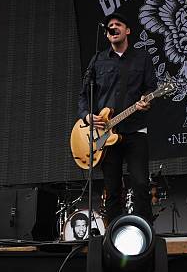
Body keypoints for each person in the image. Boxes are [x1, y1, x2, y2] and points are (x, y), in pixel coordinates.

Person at [78, 12, 157, 224]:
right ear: (107, 34)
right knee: (111, 188)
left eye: (118, 24)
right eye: (110, 26)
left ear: (127, 30)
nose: (113, 28)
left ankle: (145, 233)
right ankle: (112, 236)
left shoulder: (142, 58)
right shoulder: (97, 60)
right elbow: (84, 96)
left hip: (135, 131)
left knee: (140, 183)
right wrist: (87, 116)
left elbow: (151, 89)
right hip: (104, 134)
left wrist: (146, 101)